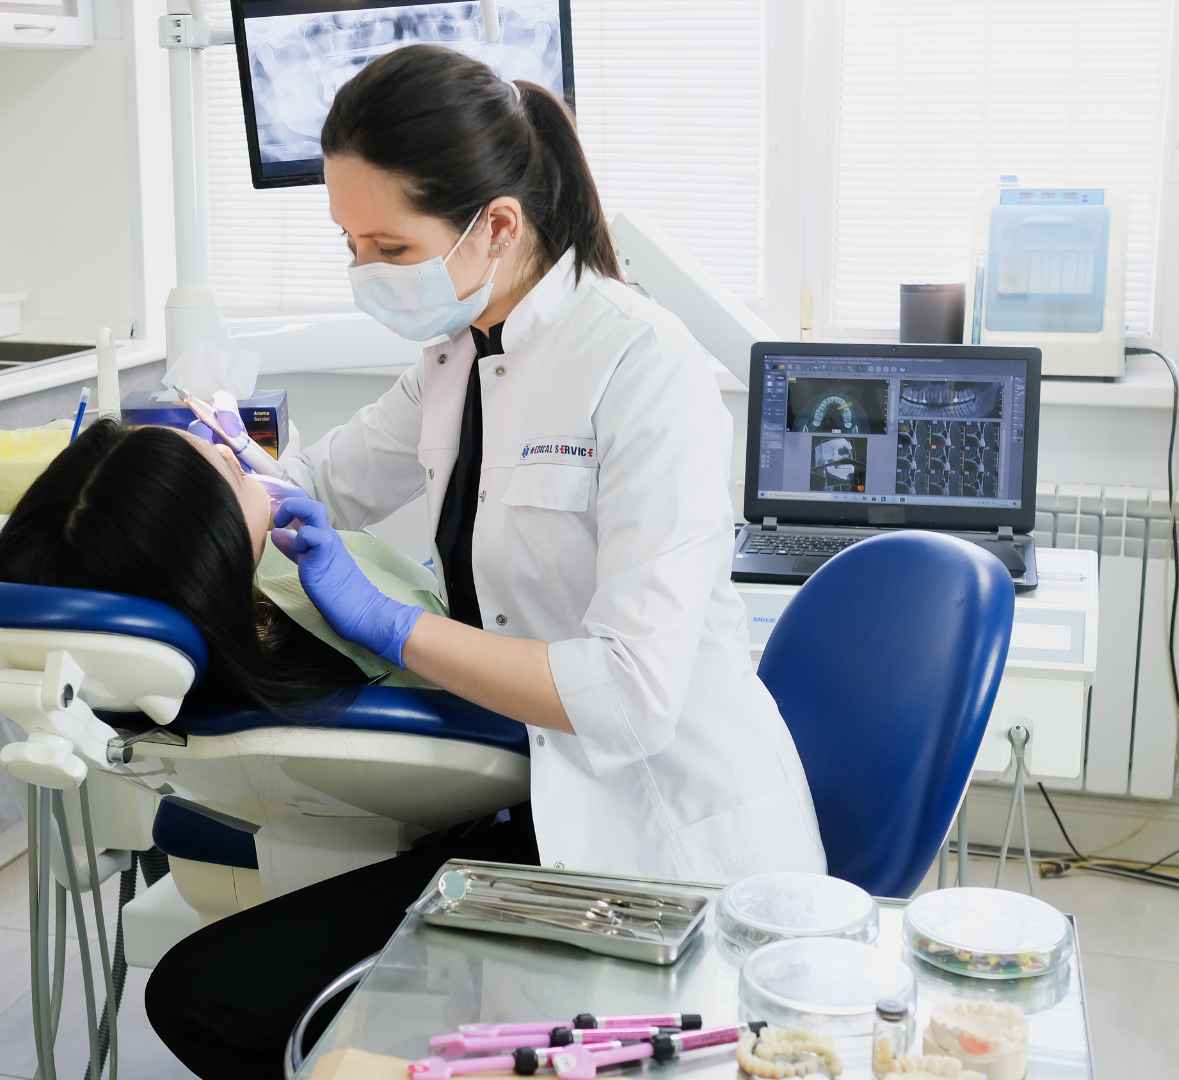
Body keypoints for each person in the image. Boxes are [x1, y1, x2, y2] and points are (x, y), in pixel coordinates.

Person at [159, 44, 824, 1077]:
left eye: (386, 245)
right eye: (348, 243)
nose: (365, 274)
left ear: (497, 225)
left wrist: (394, 626)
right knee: (223, 997)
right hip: (530, 803)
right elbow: (325, 481)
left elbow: (632, 691)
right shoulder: (456, 353)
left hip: (656, 851)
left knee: (232, 1010)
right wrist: (218, 468)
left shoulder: (646, 371)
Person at [0, 417, 447, 704]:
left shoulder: (225, 610)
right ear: (211, 550)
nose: (227, 448)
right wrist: (388, 621)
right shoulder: (312, 641)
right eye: (231, 468)